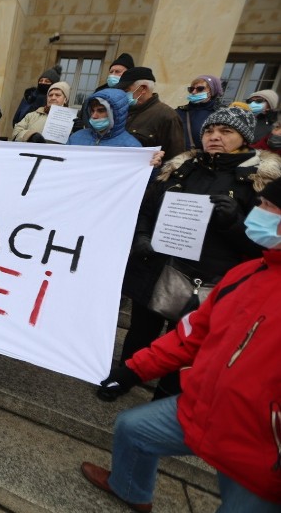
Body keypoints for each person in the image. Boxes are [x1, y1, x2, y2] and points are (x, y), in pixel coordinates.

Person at [84, 178, 281, 512]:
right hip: (204, 410)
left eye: (267, 207)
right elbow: (192, 334)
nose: (257, 212)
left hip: (262, 449)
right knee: (133, 429)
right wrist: (132, 370)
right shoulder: (247, 273)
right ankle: (129, 488)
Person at [119, 105, 281, 399]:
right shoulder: (181, 167)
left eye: (225, 131)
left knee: (185, 339)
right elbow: (147, 208)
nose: (214, 136)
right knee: (141, 329)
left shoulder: (259, 181)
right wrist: (142, 237)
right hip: (159, 267)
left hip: (209, 279)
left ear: (243, 138)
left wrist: (234, 222)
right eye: (209, 130)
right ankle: (123, 378)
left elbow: (264, 247)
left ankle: (166, 397)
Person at [114, 66, 184, 160]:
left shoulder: (167, 116)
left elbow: (176, 158)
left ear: (143, 89)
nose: (122, 94)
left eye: (126, 90)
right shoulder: (120, 111)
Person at [72, 53, 135, 133]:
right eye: (111, 72)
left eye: (117, 72)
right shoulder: (98, 92)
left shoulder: (132, 96)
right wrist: (81, 124)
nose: (113, 75)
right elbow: (85, 114)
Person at [67, 89, 141, 148]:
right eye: (92, 111)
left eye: (101, 110)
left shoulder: (131, 147)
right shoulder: (75, 138)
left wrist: (152, 165)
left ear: (115, 113)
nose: (93, 116)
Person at [175, 74, 224, 151]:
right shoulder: (179, 111)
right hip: (175, 159)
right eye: (191, 89)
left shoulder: (220, 114)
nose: (194, 92)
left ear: (211, 91)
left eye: (200, 89)